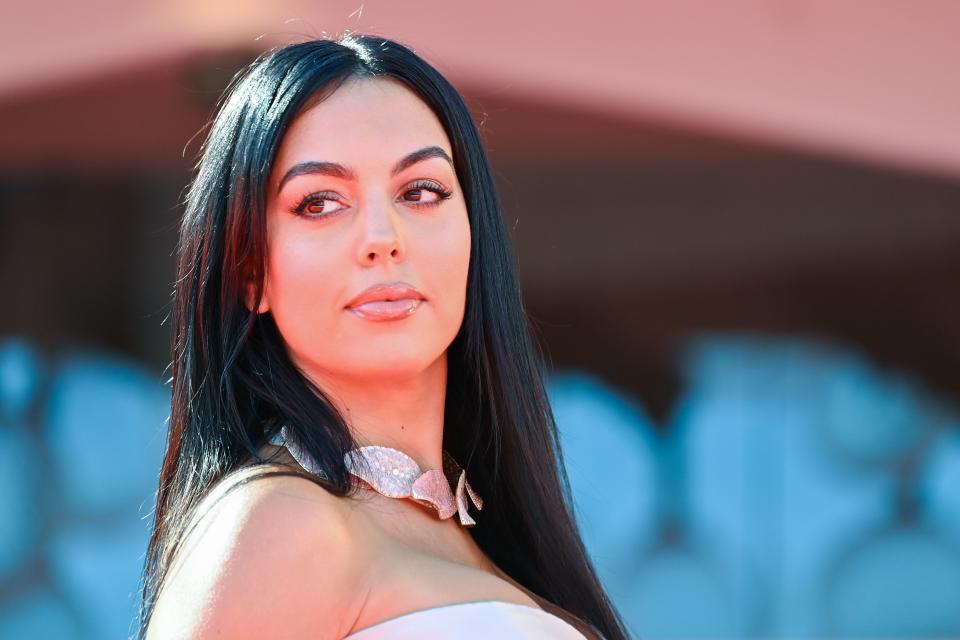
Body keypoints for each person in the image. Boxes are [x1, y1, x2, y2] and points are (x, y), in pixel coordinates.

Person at [136, 33, 631, 640]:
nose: (382, 235)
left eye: (421, 191)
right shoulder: (279, 526)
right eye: (319, 202)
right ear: (249, 273)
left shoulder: (486, 538)